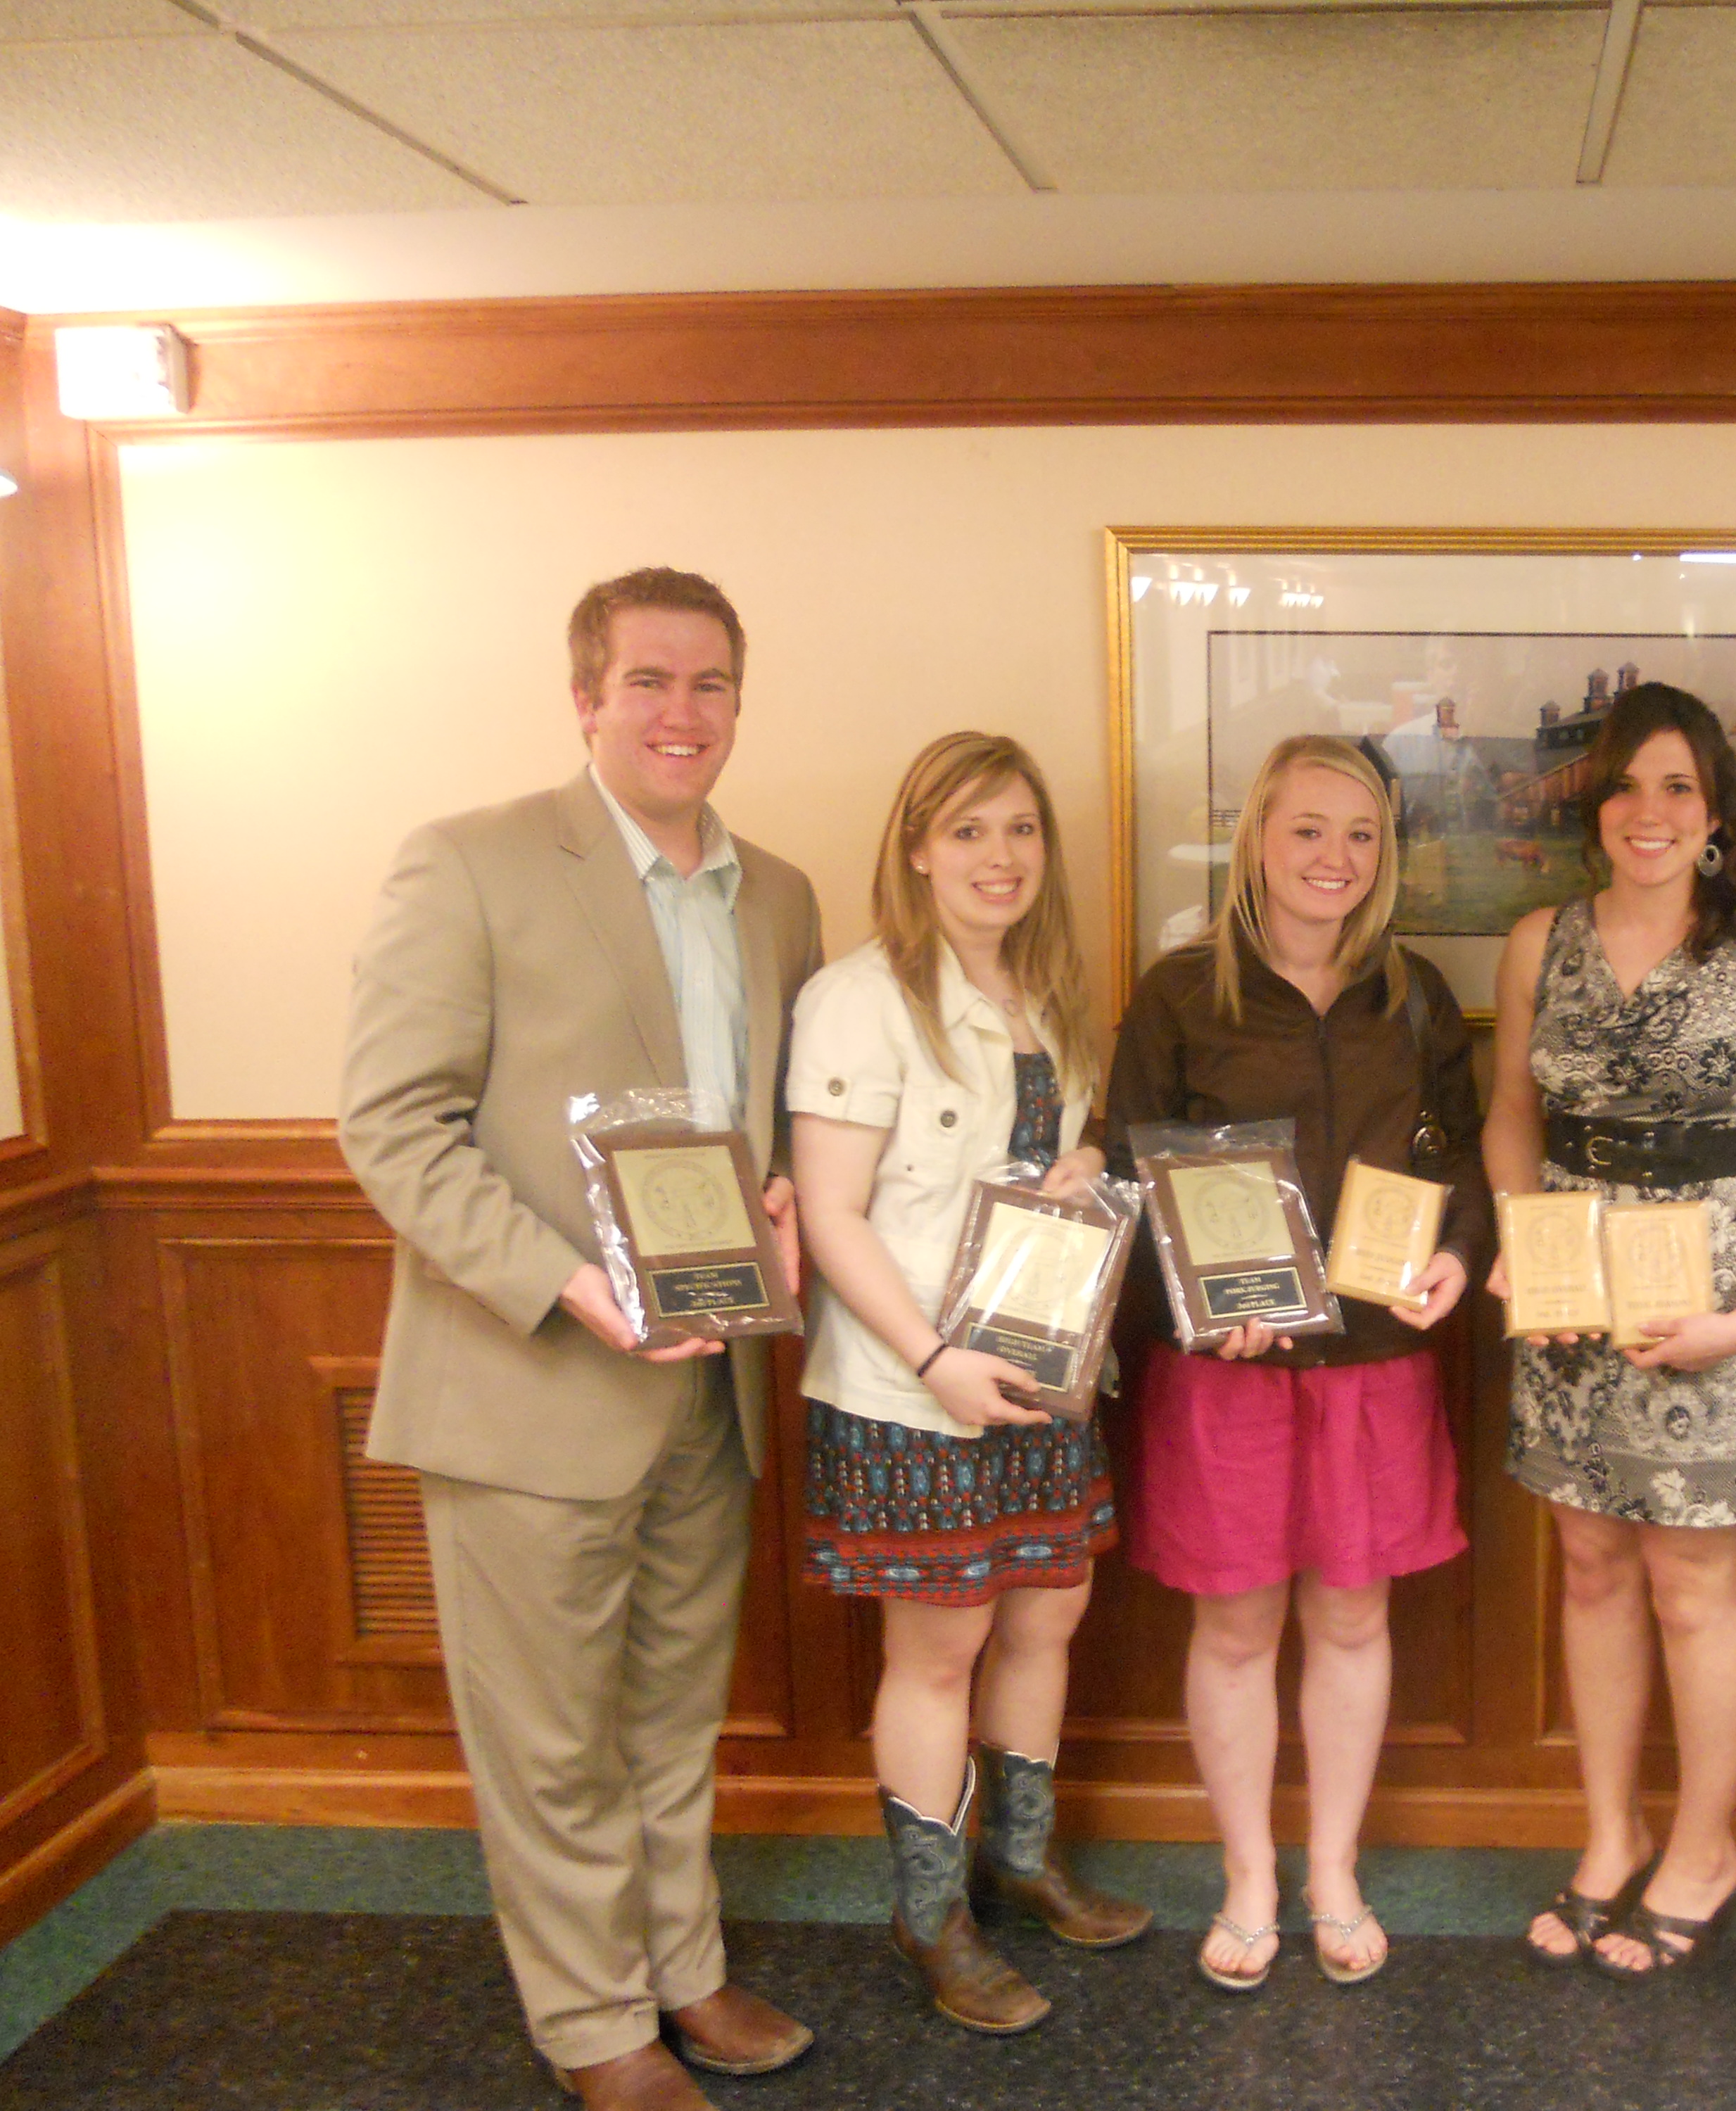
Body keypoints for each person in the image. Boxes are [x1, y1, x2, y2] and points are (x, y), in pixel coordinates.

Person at [340, 569, 825, 2111]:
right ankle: (593, 2025)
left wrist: (784, 1203)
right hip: (531, 1382)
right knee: (549, 1739)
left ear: (740, 704)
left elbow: (767, 1135)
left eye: (711, 686)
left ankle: (682, 1973)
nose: (682, 715)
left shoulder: (784, 895)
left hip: (711, 1386)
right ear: (586, 697)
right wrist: (566, 1282)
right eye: (649, 683)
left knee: (674, 1712)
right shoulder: (469, 863)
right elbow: (392, 1128)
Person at [1103, 734, 1488, 1993]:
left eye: (1361, 833)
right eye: (1308, 829)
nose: (1335, 857)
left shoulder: (1418, 993)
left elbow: (1463, 1158)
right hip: (1228, 1372)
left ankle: (1331, 1870)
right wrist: (1198, 1309)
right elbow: (1127, 1181)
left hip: (1376, 1358)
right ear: (1256, 842)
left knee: (1353, 1614)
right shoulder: (1176, 995)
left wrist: (1462, 1255)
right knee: (1234, 1622)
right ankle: (1248, 1877)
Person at [788, 732, 1151, 2037]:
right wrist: (936, 1362)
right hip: (912, 1386)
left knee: (1048, 1613)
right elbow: (833, 1216)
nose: (1000, 858)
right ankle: (932, 1912)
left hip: (1047, 1369)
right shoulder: (858, 997)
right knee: (939, 1649)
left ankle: (1021, 1858)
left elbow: (1053, 1147)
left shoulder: (1047, 992)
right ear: (918, 848)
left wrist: (1090, 1150)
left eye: (1021, 831)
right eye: (970, 831)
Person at [1486, 683, 1736, 1977]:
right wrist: (1522, 1246)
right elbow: (1512, 1119)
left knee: (1696, 1587)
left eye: (1678, 786)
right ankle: (1609, 1834)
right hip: (1571, 1298)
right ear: (1595, 804)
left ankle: (1705, 1847)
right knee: (1589, 1565)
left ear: (1715, 812)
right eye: (1627, 784)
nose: (1650, 811)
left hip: (1715, 1304)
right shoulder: (1539, 941)